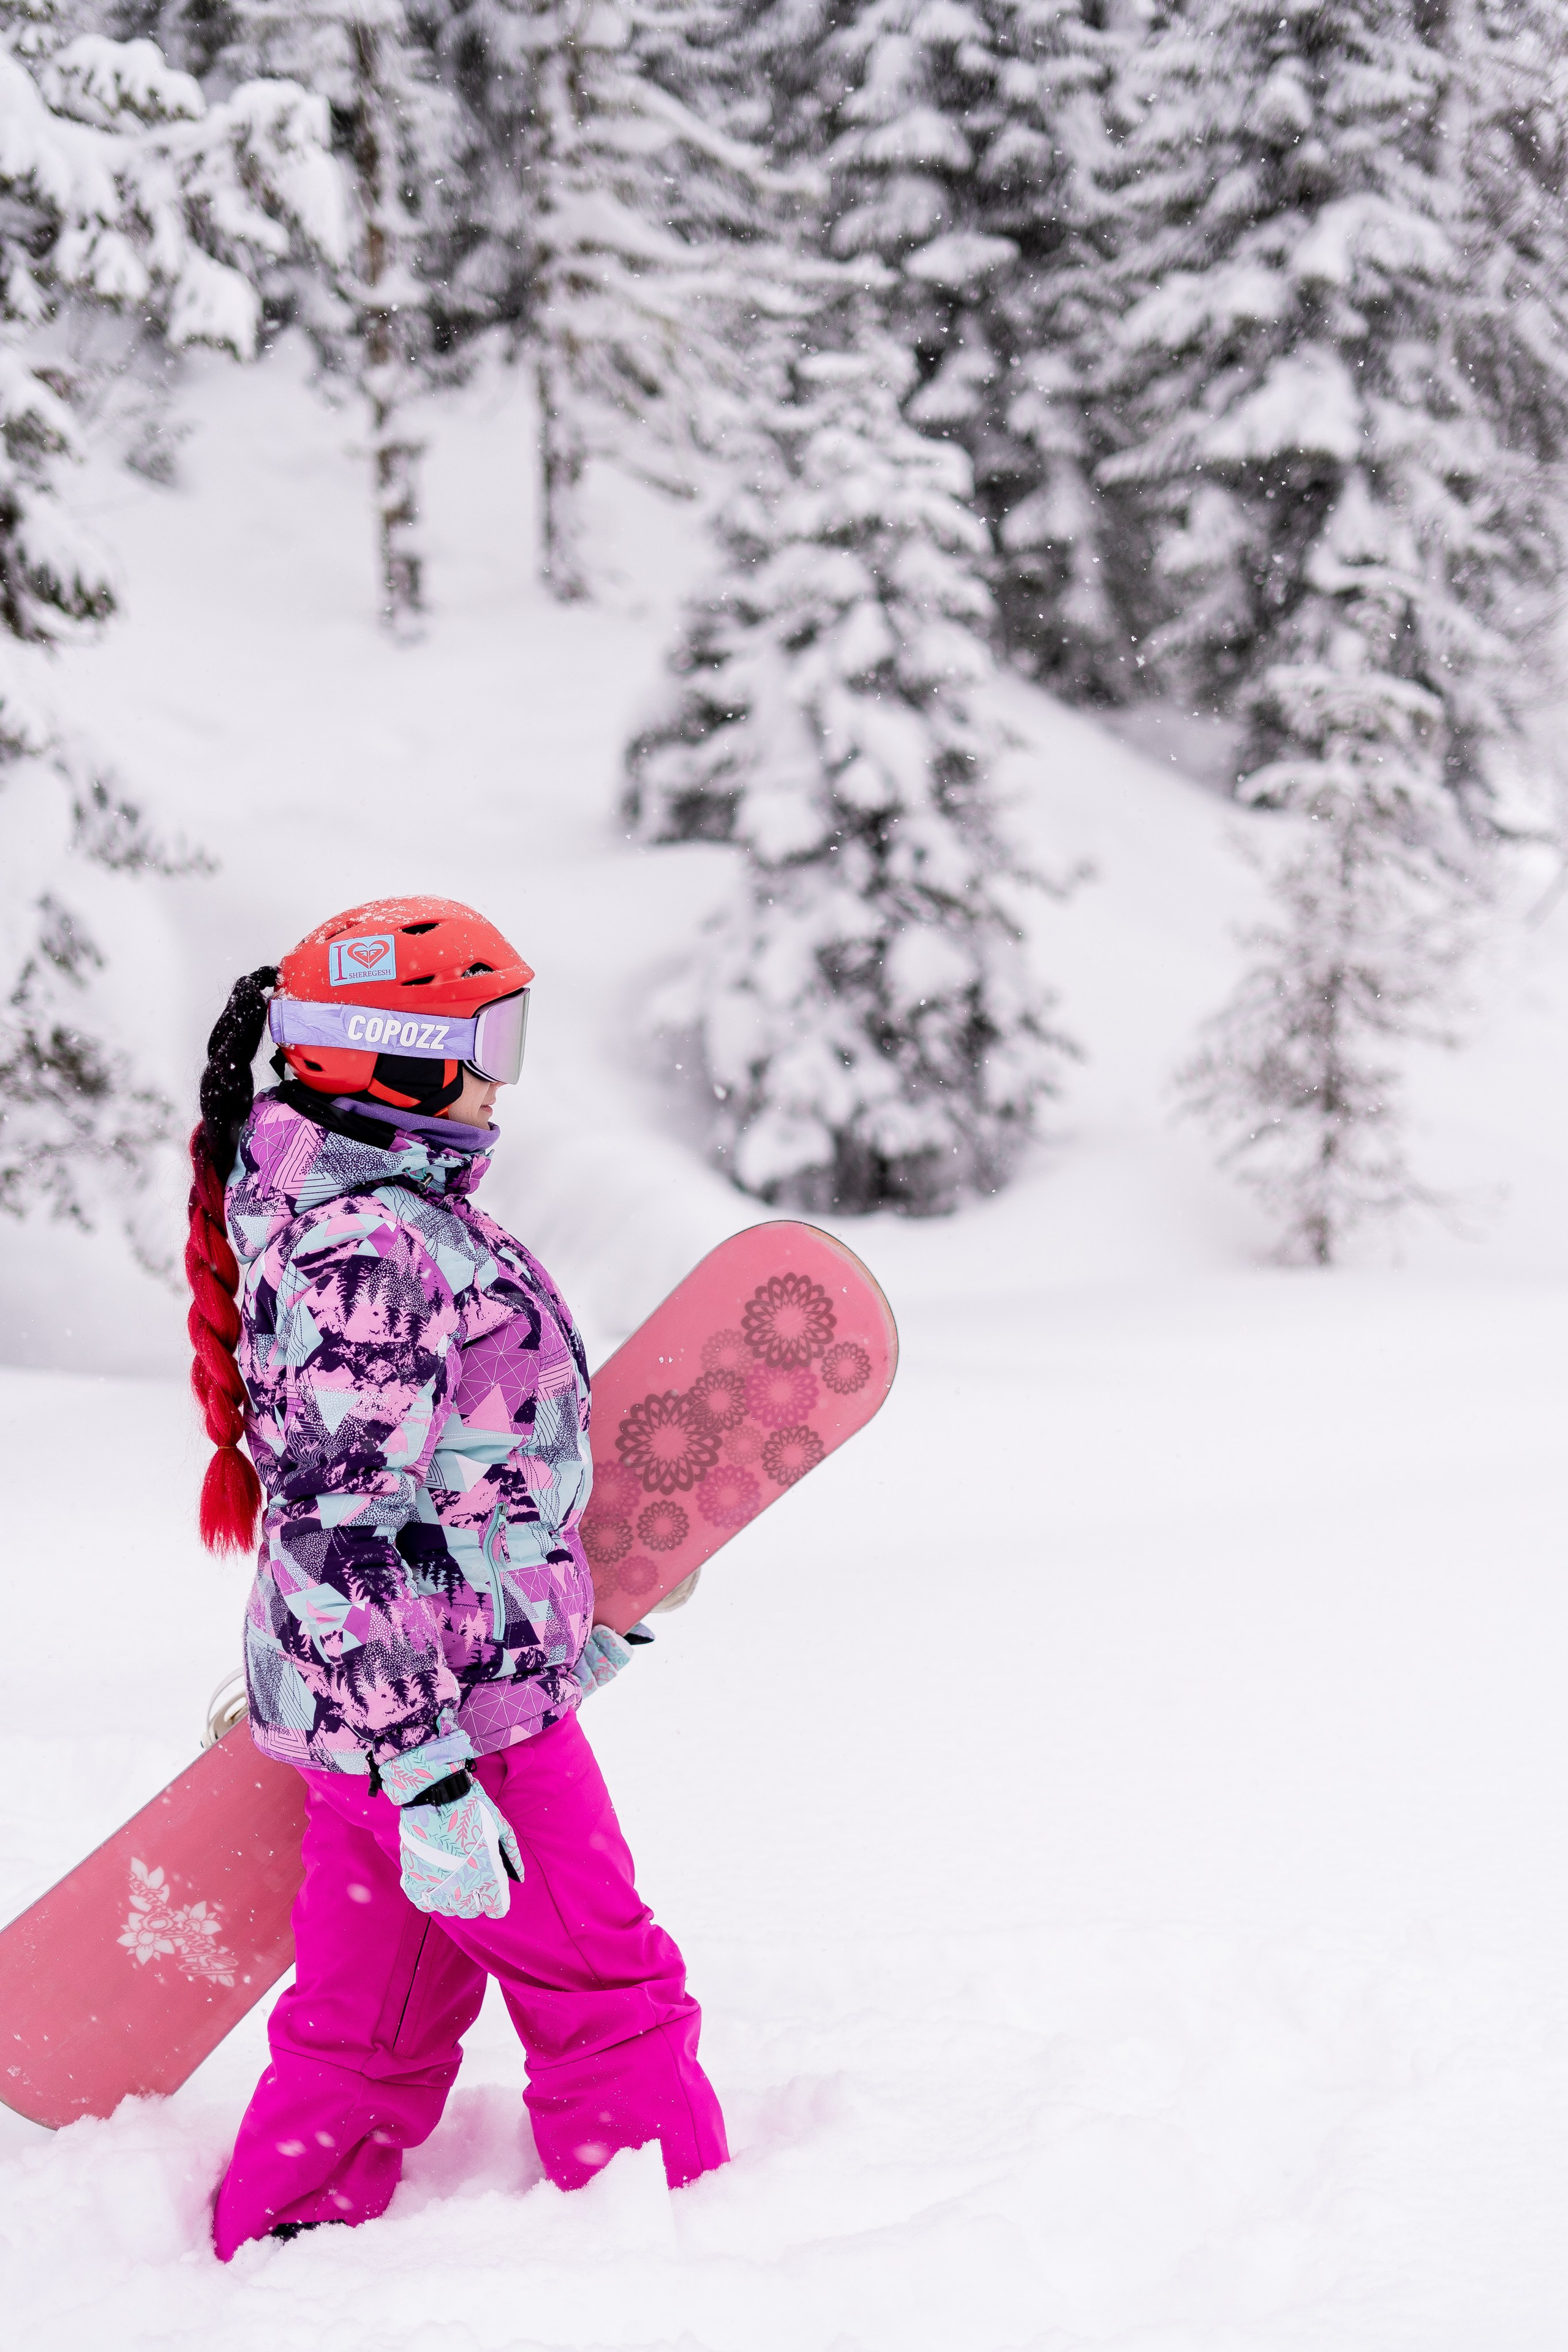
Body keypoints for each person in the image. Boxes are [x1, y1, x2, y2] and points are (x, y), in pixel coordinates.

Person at [184, 897, 728, 2260]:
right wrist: (431, 1766)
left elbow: (449, 1488)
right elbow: (338, 1524)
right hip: (456, 1732)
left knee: (368, 2032)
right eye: (488, 1036)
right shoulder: (370, 1243)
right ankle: (678, 2262)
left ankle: (279, 2260)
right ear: (393, 1056)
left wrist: (555, 1635)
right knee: (611, 1997)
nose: (504, 1071)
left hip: (407, 1713)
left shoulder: (363, 1214)